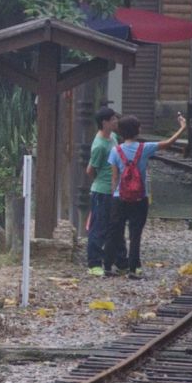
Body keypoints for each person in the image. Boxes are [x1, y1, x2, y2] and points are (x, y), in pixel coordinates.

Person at [103, 113, 187, 279]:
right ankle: (133, 270)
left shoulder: (115, 150)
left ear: (121, 132)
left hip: (120, 197)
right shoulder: (145, 148)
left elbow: (114, 178)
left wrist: (114, 195)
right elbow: (169, 143)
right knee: (135, 234)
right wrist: (182, 127)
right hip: (140, 197)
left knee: (114, 232)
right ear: (137, 130)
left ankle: (107, 267)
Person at [85, 107, 126, 275]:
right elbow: (90, 170)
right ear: (105, 122)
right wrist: (102, 180)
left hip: (115, 190)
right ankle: (94, 263)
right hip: (102, 191)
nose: (116, 121)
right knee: (99, 227)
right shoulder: (99, 146)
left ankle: (121, 261)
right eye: (113, 119)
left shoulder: (113, 137)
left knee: (116, 227)